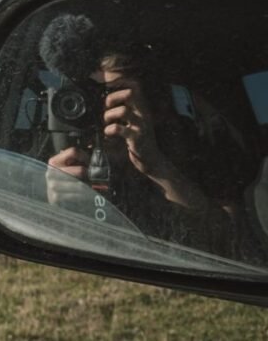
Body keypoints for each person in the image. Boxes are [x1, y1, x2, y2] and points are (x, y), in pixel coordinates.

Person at [40, 13, 260, 260]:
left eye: (112, 92)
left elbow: (230, 244)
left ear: (157, 101)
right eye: (88, 94)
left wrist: (154, 164)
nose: (99, 106)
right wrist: (58, 205)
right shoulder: (70, 156)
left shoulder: (196, 145)